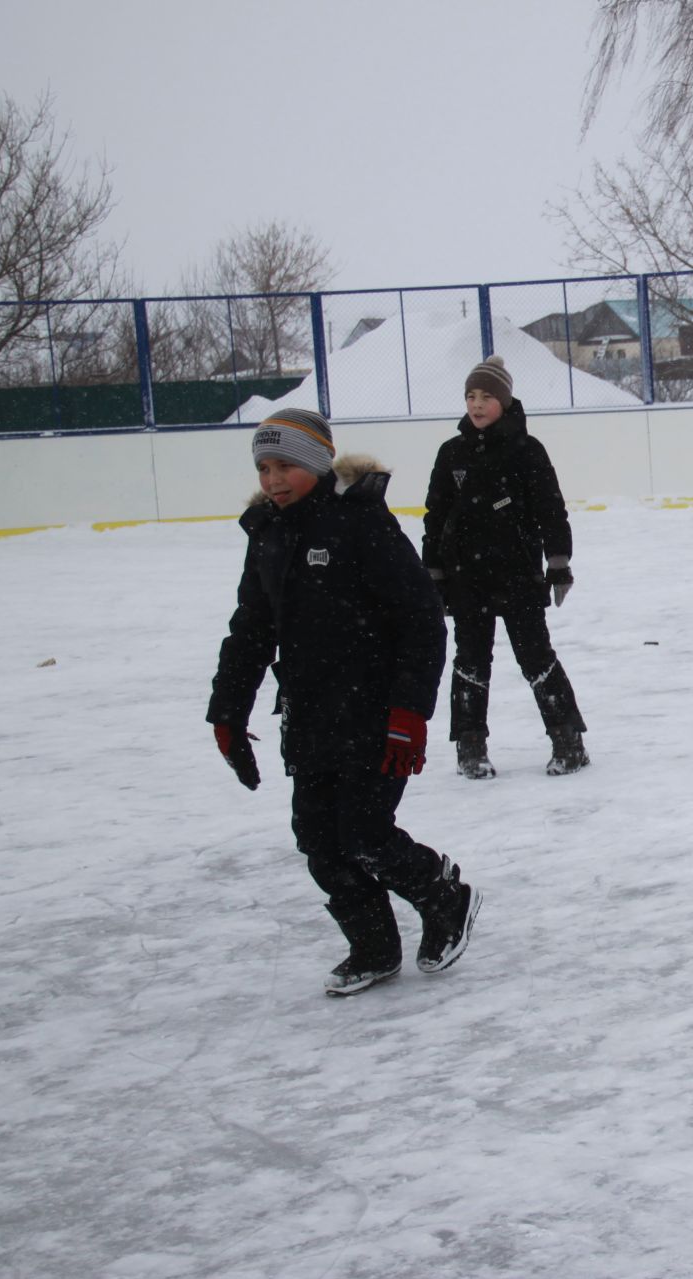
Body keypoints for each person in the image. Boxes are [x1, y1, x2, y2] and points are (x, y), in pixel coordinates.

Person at [208, 408, 480, 997]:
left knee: (363, 831)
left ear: (316, 464)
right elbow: (250, 631)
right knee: (318, 839)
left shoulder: (361, 524)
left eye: (286, 466)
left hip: (376, 713)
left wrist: (410, 712)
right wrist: (227, 714)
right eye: (264, 467)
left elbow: (422, 619)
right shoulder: (268, 535)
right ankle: (374, 946)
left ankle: (444, 894)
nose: (274, 479)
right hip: (309, 715)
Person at [423, 355, 589, 779]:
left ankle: (568, 739)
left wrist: (558, 564)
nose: (477, 405)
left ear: (505, 400)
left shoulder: (526, 450)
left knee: (536, 657)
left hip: (517, 575)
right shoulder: (451, 453)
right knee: (470, 660)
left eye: (486, 396)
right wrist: (435, 573)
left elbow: (551, 509)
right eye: (470, 396)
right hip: (467, 580)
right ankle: (470, 745)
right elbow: (435, 517)